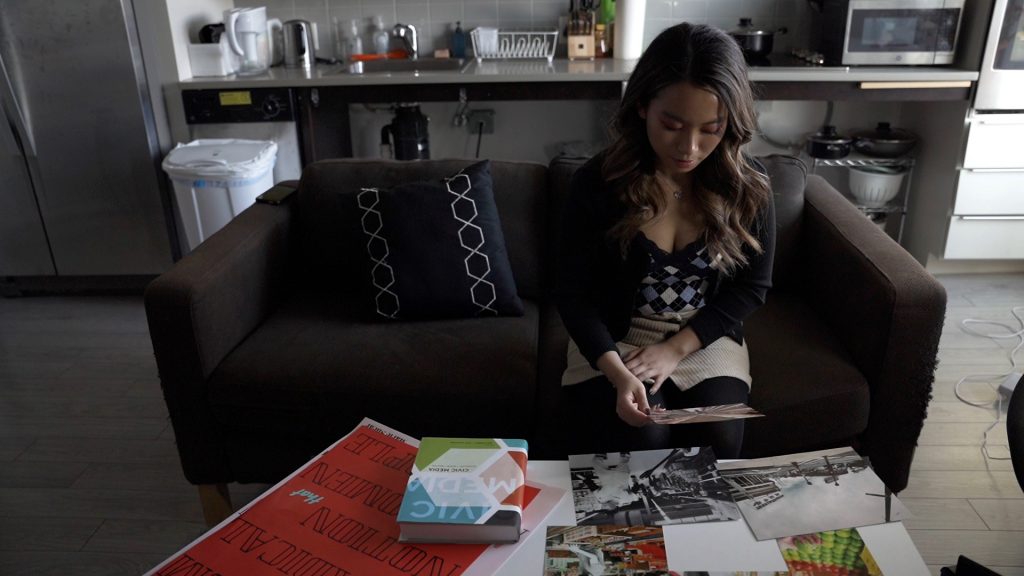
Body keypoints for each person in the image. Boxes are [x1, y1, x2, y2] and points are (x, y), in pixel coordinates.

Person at [554, 22, 775, 459]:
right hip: (617, 341)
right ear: (641, 106)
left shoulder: (748, 188)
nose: (689, 147)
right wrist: (617, 373)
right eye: (672, 124)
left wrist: (675, 349)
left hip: (701, 337)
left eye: (711, 128)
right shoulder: (597, 185)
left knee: (720, 440)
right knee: (642, 439)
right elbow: (573, 293)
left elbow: (752, 287)